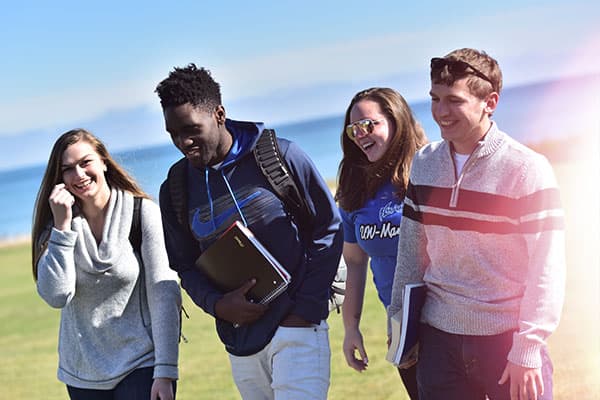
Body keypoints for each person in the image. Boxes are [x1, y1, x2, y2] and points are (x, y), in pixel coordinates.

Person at [155, 64, 343, 400]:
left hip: (297, 328)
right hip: (240, 341)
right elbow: (185, 266)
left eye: (191, 129)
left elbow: (327, 230)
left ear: (219, 114)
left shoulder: (279, 156)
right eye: (172, 133)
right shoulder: (175, 189)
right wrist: (218, 305)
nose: (183, 142)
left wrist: (305, 312)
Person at [389, 48, 566, 400]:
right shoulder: (424, 164)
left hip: (506, 344)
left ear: (491, 102)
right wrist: (400, 324)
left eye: (454, 100)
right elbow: (410, 252)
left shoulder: (527, 169)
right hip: (437, 341)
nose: (440, 111)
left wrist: (528, 348)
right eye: (435, 99)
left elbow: (547, 266)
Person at [32, 129, 182, 400]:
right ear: (60, 178)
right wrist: (62, 228)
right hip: (83, 374)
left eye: (85, 162)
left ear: (103, 161)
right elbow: (56, 295)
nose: (78, 175)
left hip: (141, 365)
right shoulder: (56, 226)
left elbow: (164, 292)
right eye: (67, 169)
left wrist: (166, 370)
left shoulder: (142, 213)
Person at [336, 87, 427, 399]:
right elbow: (355, 263)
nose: (360, 135)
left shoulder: (428, 170)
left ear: (396, 121)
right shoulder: (354, 189)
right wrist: (351, 328)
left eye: (369, 124)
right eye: (353, 129)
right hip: (400, 321)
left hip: (446, 316)